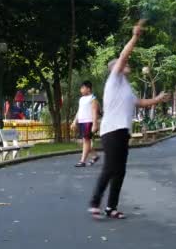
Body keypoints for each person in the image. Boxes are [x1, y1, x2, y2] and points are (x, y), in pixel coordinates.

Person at [89, 20, 170, 220]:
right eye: (122, 63)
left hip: (122, 131)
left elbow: (140, 102)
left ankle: (111, 207)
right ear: (115, 67)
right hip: (111, 130)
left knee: (120, 170)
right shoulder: (114, 79)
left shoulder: (126, 87)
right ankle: (94, 202)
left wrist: (158, 99)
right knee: (110, 167)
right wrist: (135, 36)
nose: (126, 64)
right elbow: (125, 55)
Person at [71, 81, 100, 168]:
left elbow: (95, 112)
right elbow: (79, 111)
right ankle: (95, 156)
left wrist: (95, 124)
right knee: (83, 141)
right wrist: (74, 121)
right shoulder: (81, 99)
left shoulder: (93, 98)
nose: (81, 90)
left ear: (88, 89)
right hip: (81, 122)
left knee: (86, 140)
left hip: (89, 122)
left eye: (83, 88)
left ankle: (82, 161)